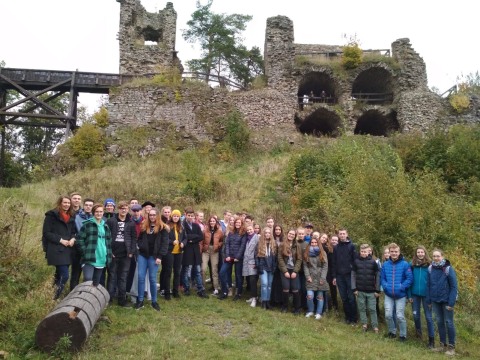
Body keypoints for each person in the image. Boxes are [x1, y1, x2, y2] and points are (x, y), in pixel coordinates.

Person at [135, 207, 169, 311]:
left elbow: (164, 244)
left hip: (154, 257)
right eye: (150, 215)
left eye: (154, 215)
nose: (152, 217)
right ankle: (140, 300)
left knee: (152, 279)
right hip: (143, 255)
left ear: (157, 216)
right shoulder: (144, 226)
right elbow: (139, 238)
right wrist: (140, 246)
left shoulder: (163, 228)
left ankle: (154, 301)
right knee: (140, 277)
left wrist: (160, 257)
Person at [42, 196, 76, 299]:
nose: (66, 205)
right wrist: (60, 240)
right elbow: (46, 233)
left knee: (58, 275)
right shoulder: (51, 215)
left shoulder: (71, 216)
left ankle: (49, 296)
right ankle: (54, 297)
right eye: (64, 202)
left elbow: (73, 232)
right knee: (65, 275)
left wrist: (73, 239)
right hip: (56, 248)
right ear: (60, 203)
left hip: (68, 249)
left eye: (68, 203)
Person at [427, 249, 458, 356]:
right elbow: (429, 285)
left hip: (446, 301)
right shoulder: (430, 268)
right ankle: (442, 345)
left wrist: (451, 303)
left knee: (449, 322)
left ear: (442, 256)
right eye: (434, 256)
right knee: (439, 322)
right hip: (435, 300)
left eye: (438, 256)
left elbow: (454, 287)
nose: (436, 258)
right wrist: (429, 300)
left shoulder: (448, 269)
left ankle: (451, 347)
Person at [381, 243, 413, 341]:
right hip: (389, 294)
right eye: (392, 252)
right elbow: (382, 278)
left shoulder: (405, 264)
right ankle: (392, 332)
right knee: (388, 314)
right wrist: (385, 286)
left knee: (399, 316)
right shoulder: (385, 265)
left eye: (396, 252)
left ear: (399, 252)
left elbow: (410, 278)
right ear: (389, 253)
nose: (394, 253)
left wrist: (402, 287)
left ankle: (403, 335)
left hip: (401, 295)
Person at [77, 204, 112, 287]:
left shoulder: (106, 226)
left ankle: (91, 300)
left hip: (102, 257)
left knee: (95, 284)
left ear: (103, 213)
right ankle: (82, 298)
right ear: (93, 213)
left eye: (100, 212)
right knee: (88, 280)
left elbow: (109, 242)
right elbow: (79, 240)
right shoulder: (87, 224)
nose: (99, 213)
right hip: (89, 257)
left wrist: (108, 255)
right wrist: (84, 252)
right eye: (96, 212)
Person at [106, 201, 133, 307]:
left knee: (123, 277)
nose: (123, 210)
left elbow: (133, 238)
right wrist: (109, 251)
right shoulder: (111, 221)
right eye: (121, 208)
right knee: (112, 276)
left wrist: (131, 251)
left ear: (128, 209)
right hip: (113, 253)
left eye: (125, 208)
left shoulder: (130, 223)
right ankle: (109, 299)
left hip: (126, 254)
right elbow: (106, 237)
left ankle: (122, 300)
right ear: (118, 209)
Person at [408, 245, 435, 348]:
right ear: (416, 254)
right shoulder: (412, 264)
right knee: (415, 315)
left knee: (428, 317)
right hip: (414, 295)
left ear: (425, 253)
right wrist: (409, 295)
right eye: (418, 252)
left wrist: (432, 296)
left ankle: (431, 340)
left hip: (427, 296)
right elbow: (409, 280)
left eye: (422, 252)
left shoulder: (430, 265)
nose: (420, 254)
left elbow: (433, 282)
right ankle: (418, 335)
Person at [352, 244, 381, 332]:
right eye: (362, 251)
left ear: (369, 252)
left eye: (366, 252)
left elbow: (378, 276)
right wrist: (354, 288)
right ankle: (364, 324)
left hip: (371, 291)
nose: (364, 253)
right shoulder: (356, 262)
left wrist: (377, 289)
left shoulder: (373, 262)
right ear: (360, 252)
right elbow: (353, 275)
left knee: (372, 309)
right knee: (362, 308)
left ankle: (375, 326)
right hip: (360, 290)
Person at [181, 207, 209, 298]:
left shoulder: (196, 225)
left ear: (194, 217)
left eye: (192, 216)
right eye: (188, 215)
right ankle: (186, 288)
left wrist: (191, 239)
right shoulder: (183, 225)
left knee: (197, 270)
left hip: (195, 250)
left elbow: (200, 237)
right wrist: (193, 237)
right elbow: (184, 236)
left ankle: (200, 289)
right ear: (185, 215)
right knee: (186, 270)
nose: (190, 217)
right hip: (187, 250)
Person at [332, 228, 357, 324]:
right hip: (339, 276)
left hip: (349, 275)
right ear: (338, 235)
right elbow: (334, 263)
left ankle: (354, 318)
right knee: (344, 298)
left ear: (347, 234)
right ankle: (348, 317)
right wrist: (334, 276)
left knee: (351, 297)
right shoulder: (336, 247)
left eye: (343, 234)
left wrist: (354, 275)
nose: (342, 235)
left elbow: (355, 261)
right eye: (340, 234)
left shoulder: (352, 246)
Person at [218, 217, 247, 300]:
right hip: (229, 257)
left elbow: (242, 246)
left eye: (239, 223)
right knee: (222, 272)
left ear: (242, 224)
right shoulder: (231, 232)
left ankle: (238, 293)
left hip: (238, 258)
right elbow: (227, 244)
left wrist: (237, 257)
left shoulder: (243, 233)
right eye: (236, 222)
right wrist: (227, 255)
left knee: (238, 276)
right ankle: (225, 291)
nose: (237, 224)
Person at [71, 198, 94, 291]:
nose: (88, 207)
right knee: (75, 273)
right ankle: (72, 294)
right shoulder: (76, 216)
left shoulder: (95, 217)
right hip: (77, 248)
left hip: (90, 249)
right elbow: (72, 230)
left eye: (90, 205)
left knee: (88, 275)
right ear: (83, 206)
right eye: (86, 205)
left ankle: (85, 294)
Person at [278, 229, 302, 314]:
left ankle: (297, 308)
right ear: (287, 234)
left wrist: (295, 271)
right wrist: (285, 271)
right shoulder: (282, 244)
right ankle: (284, 306)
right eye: (290, 234)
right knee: (286, 288)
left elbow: (299, 259)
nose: (291, 235)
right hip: (285, 269)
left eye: (293, 234)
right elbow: (280, 259)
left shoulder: (297, 245)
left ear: (295, 236)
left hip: (294, 269)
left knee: (295, 289)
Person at [303, 235, 328, 320]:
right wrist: (307, 276)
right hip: (311, 276)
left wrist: (323, 278)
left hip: (320, 276)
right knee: (309, 296)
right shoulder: (306, 253)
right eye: (312, 243)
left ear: (318, 243)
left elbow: (325, 266)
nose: (313, 244)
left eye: (315, 242)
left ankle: (318, 313)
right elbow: (305, 266)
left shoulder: (322, 253)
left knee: (320, 296)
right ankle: (310, 311)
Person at [255, 227, 277, 310]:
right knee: (264, 284)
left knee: (269, 285)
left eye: (269, 233)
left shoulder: (273, 244)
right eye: (266, 233)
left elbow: (275, 258)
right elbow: (256, 256)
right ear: (263, 234)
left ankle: (268, 301)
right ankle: (263, 302)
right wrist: (258, 266)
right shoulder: (259, 244)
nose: (267, 234)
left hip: (271, 267)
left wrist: (274, 266)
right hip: (262, 266)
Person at [202, 216, 223, 295]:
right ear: (209, 222)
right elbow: (202, 240)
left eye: (213, 221)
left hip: (215, 251)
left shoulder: (219, 231)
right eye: (210, 221)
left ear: (216, 222)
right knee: (203, 269)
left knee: (214, 269)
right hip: (206, 250)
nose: (212, 222)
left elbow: (221, 240)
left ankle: (216, 288)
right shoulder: (205, 230)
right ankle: (202, 287)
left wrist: (218, 245)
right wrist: (203, 248)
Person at [243, 224, 260, 307]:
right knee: (250, 280)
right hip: (247, 262)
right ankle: (253, 296)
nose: (249, 231)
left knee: (253, 281)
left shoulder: (257, 237)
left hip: (253, 262)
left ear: (254, 229)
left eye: (250, 229)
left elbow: (258, 251)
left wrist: (256, 263)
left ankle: (254, 299)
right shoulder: (247, 238)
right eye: (248, 230)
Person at [169, 209, 184, 298]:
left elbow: (185, 238)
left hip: (179, 252)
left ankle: (175, 291)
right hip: (170, 252)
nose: (176, 217)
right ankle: (167, 291)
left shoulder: (181, 227)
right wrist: (172, 242)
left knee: (177, 272)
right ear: (172, 216)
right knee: (168, 272)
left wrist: (183, 243)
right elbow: (165, 238)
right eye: (174, 216)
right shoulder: (168, 226)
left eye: (177, 216)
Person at [270, 224, 284, 307]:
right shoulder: (271, 239)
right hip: (273, 263)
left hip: (281, 264)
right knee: (273, 283)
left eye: (279, 229)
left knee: (281, 283)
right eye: (276, 230)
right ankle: (273, 300)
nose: (278, 231)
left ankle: (281, 301)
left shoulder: (284, 240)